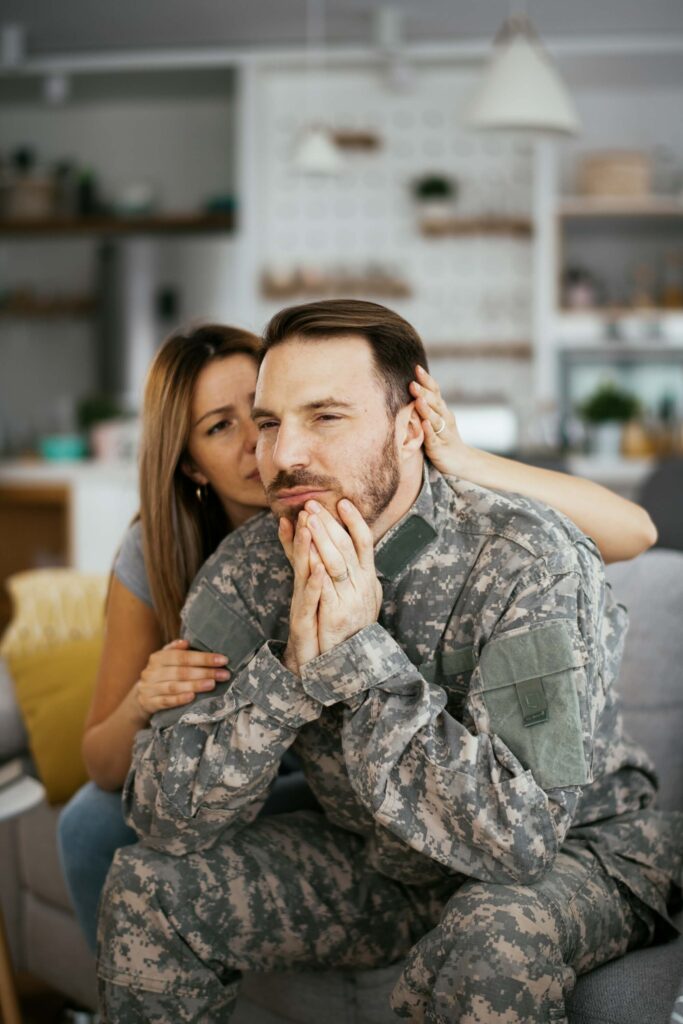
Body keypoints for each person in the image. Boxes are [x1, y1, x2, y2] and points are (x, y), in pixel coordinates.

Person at [96, 299, 681, 1024]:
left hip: (577, 852)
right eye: (270, 422)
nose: (281, 456)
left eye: (326, 417)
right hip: (382, 862)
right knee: (146, 883)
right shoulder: (247, 569)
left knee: (493, 936)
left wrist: (356, 657)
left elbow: (521, 840)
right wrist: (285, 683)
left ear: (410, 426)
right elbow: (161, 816)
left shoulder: (524, 559)